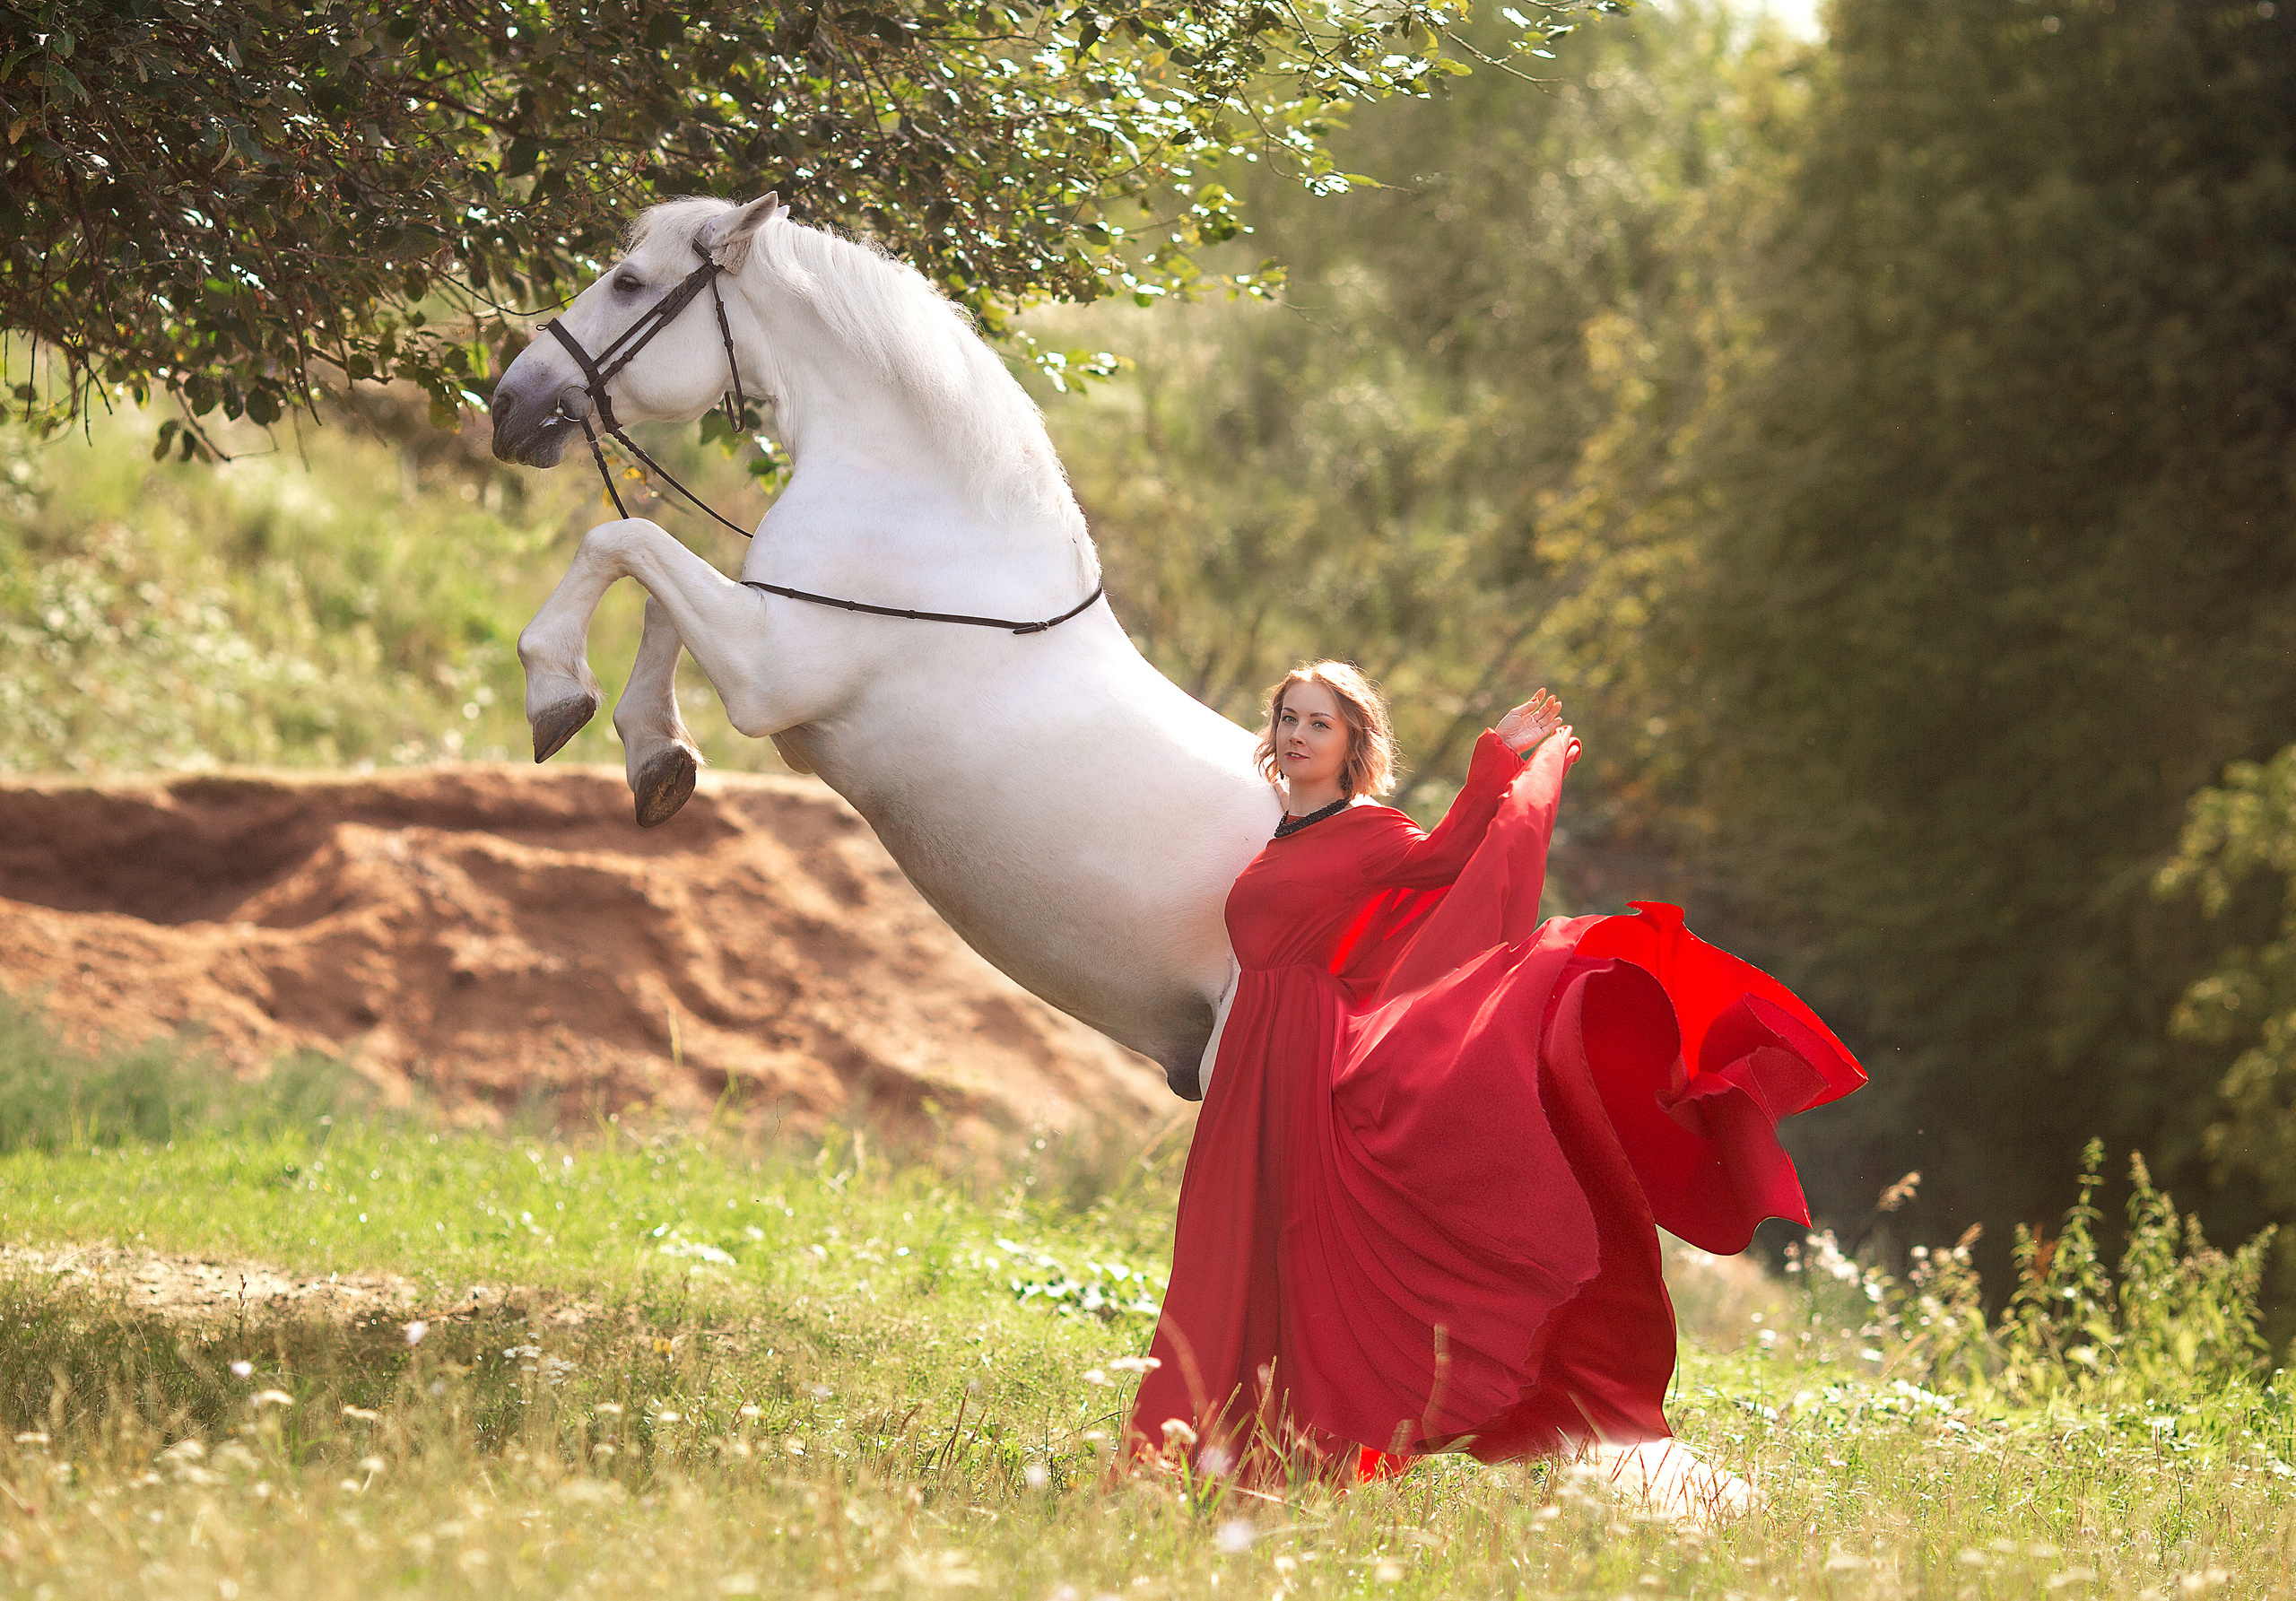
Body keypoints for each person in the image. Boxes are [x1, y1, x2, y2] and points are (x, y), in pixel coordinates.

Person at [1123, 661, 1864, 1517]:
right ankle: (1211, 1445)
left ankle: (1283, 1454)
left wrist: (1499, 758)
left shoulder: (1368, 831)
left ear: (1354, 740)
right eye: (1289, 717)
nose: (1297, 734)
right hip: (1256, 1059)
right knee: (1231, 1245)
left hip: (1299, 1058)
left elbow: (1445, 858)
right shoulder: (1283, 831)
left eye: (1319, 722)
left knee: (1289, 1250)